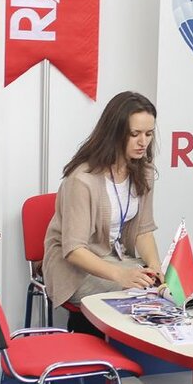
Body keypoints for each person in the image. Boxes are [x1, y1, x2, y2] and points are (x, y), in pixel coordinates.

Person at [42, 91, 163, 326]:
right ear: (114, 133)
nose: (143, 142)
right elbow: (74, 250)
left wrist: (155, 267)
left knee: (163, 289)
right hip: (74, 269)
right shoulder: (82, 179)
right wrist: (121, 275)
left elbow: (143, 230)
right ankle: (103, 346)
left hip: (117, 260)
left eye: (149, 134)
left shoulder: (144, 172)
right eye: (135, 134)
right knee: (138, 298)